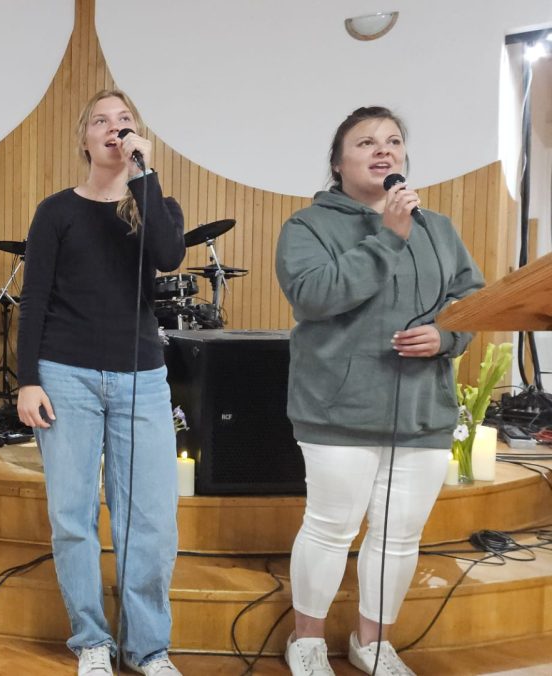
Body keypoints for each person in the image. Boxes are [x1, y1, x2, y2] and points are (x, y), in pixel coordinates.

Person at [275, 106, 484, 676]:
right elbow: (314, 295)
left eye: (393, 141)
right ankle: (307, 641)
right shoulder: (307, 227)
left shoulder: (437, 228)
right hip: (338, 408)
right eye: (366, 142)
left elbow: (471, 299)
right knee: (330, 529)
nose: (383, 150)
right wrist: (389, 237)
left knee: (399, 536)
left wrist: (446, 336)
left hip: (421, 408)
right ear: (338, 164)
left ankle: (372, 643)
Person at [16, 90, 186, 676]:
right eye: (101, 121)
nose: (114, 129)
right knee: (73, 516)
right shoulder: (56, 211)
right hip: (66, 374)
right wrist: (27, 380)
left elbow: (169, 255)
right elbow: (33, 299)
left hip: (142, 377)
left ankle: (148, 647)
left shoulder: (156, 204)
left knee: (151, 520)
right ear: (85, 140)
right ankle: (92, 640)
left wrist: (145, 176)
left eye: (125, 121)